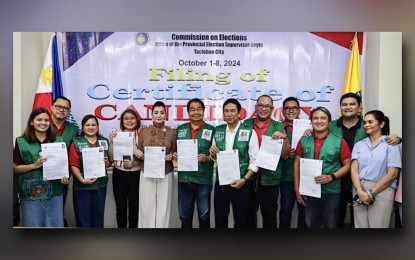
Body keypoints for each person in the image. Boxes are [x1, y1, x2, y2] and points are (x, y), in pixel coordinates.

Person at [328, 92, 401, 227]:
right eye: (344, 104)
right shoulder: (331, 126)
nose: (348, 107)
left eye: (352, 104)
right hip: (340, 179)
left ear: (359, 107)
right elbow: (317, 133)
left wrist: (397, 138)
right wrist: (307, 132)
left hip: (375, 186)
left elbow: (392, 172)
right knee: (340, 218)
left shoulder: (368, 128)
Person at [294, 106, 351, 228]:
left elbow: (348, 165)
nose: (319, 121)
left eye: (323, 118)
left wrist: (332, 177)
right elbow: (296, 165)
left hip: (331, 192)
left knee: (330, 225)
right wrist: (297, 190)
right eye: (315, 118)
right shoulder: (304, 140)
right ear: (311, 121)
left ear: (329, 122)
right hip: (308, 192)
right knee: (311, 224)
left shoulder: (339, 141)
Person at [13, 107, 70, 227]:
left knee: (54, 226)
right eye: (39, 120)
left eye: (46, 120)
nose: (43, 123)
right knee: (33, 227)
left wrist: (64, 178)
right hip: (31, 192)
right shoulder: (21, 142)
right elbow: (15, 168)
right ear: (31, 122)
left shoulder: (58, 141)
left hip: (54, 192)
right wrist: (34, 165)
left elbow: (63, 166)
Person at [209, 98, 259, 228]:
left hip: (242, 183)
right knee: (220, 220)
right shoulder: (218, 131)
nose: (229, 114)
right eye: (226, 111)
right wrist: (213, 153)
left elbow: (255, 162)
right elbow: (214, 157)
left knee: (242, 221)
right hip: (222, 184)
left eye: (232, 111)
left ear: (239, 113)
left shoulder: (249, 132)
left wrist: (244, 179)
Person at [243, 95, 290, 228]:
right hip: (248, 177)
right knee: (248, 215)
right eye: (261, 106)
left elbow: (286, 156)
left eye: (267, 106)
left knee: (269, 216)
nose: (264, 109)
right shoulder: (245, 124)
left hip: (269, 179)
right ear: (256, 107)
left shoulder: (279, 126)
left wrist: (284, 139)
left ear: (272, 109)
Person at [351, 110, 401, 228]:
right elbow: (354, 169)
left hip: (382, 190)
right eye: (365, 122)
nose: (366, 125)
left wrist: (369, 193)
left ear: (381, 124)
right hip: (359, 188)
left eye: (370, 122)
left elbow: (392, 174)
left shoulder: (392, 145)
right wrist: (359, 190)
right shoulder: (359, 145)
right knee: (360, 227)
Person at [173, 98, 215, 228]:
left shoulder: (212, 130)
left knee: (204, 216)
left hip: (203, 180)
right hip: (184, 180)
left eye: (199, 109)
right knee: (184, 217)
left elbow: (217, 156)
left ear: (203, 111)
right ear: (188, 112)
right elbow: (174, 150)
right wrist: (175, 154)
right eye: (192, 109)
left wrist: (207, 158)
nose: (196, 112)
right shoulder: (180, 130)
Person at [134, 101, 176, 228]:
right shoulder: (144, 131)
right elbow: (138, 150)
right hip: (147, 171)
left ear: (165, 115)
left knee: (164, 205)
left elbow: (175, 151)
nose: (159, 115)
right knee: (147, 205)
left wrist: (172, 155)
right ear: (151, 115)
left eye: (162, 113)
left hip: (166, 171)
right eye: (156, 113)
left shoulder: (172, 132)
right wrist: (138, 152)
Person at [69, 114, 111, 228]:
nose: (90, 127)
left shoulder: (104, 141)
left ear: (97, 127)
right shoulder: (76, 142)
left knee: (98, 216)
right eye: (87, 125)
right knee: (83, 218)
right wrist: (82, 180)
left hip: (100, 186)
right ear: (83, 127)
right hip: (82, 187)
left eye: (93, 125)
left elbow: (109, 163)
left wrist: (107, 163)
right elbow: (73, 164)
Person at [108, 108, 141, 228]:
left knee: (134, 207)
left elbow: (147, 156)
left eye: (132, 118)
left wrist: (136, 164)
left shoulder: (142, 135)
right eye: (126, 119)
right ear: (122, 121)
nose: (129, 121)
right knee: (120, 208)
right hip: (119, 174)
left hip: (136, 175)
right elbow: (111, 158)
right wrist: (112, 142)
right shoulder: (117, 135)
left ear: (137, 120)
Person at [50, 96, 79, 226]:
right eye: (58, 106)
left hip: (63, 177)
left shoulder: (73, 129)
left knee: (58, 210)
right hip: (40, 175)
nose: (62, 110)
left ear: (69, 111)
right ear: (51, 107)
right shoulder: (43, 123)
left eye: (65, 108)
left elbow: (75, 152)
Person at [279, 97, 307, 228]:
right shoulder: (278, 128)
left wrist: (311, 133)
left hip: (306, 176)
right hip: (287, 177)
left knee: (305, 210)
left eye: (294, 108)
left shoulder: (309, 127)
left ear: (299, 110)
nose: (291, 111)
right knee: (285, 209)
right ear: (283, 111)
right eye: (287, 108)